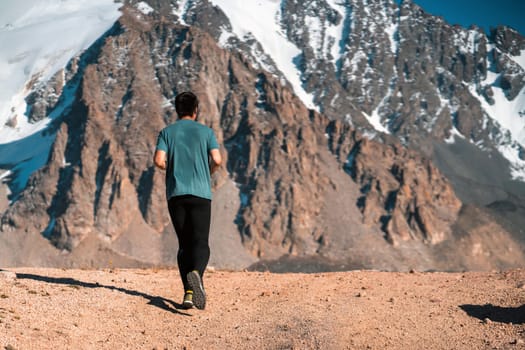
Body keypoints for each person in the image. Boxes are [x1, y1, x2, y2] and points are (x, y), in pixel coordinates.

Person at [154, 91, 222, 310]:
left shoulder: (167, 132)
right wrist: (208, 172)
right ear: (196, 110)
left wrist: (169, 168)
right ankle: (197, 275)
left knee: (184, 245)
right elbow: (218, 160)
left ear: (177, 109)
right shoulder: (206, 132)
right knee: (200, 242)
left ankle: (188, 294)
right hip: (201, 193)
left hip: (176, 194)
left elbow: (158, 161)